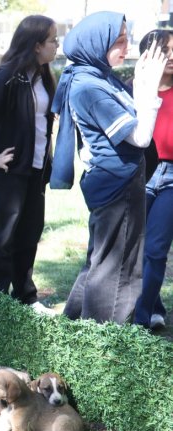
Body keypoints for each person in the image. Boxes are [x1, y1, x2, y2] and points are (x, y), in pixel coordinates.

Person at [50, 12, 167, 324]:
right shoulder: (89, 87)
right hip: (118, 184)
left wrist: (142, 83)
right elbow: (141, 137)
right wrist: (149, 87)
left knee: (100, 261)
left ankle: (74, 325)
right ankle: (103, 342)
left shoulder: (96, 76)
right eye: (119, 41)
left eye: (127, 39)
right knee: (119, 268)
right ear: (95, 44)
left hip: (115, 180)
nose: (126, 48)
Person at [0, 15, 59, 315]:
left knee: (29, 233)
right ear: (36, 45)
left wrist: (49, 158)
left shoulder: (43, 76)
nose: (58, 45)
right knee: (2, 238)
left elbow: (44, 123)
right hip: (8, 172)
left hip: (35, 171)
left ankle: (25, 297)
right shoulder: (8, 75)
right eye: (54, 40)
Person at [134, 29, 173, 330]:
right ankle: (153, 303)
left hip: (171, 177)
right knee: (134, 247)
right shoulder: (133, 90)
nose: (172, 57)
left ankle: (141, 317)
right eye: (166, 50)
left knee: (156, 249)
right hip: (139, 174)